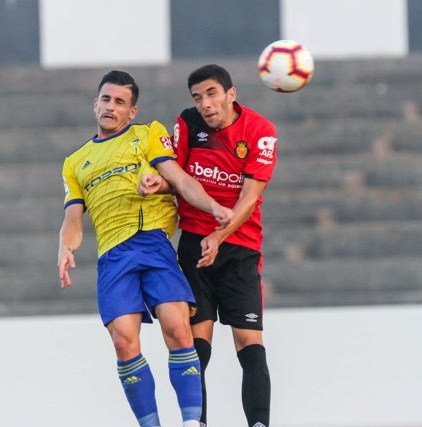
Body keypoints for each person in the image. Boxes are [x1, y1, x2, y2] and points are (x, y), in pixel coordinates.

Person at [57, 70, 234, 427]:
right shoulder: (75, 162)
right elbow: (74, 217)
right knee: (124, 343)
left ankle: (190, 422)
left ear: (132, 111)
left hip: (152, 243)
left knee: (178, 328)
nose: (111, 107)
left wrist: (212, 206)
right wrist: (66, 247)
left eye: (120, 102)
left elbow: (180, 178)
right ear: (95, 105)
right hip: (113, 256)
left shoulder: (148, 134)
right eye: (105, 99)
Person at [176, 64, 278, 427]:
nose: (204, 103)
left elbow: (250, 197)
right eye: (197, 97)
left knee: (249, 342)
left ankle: (259, 424)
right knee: (195, 346)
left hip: (240, 248)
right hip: (194, 247)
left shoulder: (260, 130)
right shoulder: (187, 124)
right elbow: (179, 178)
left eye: (211, 93)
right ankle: (196, 422)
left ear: (231, 94)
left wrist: (219, 236)